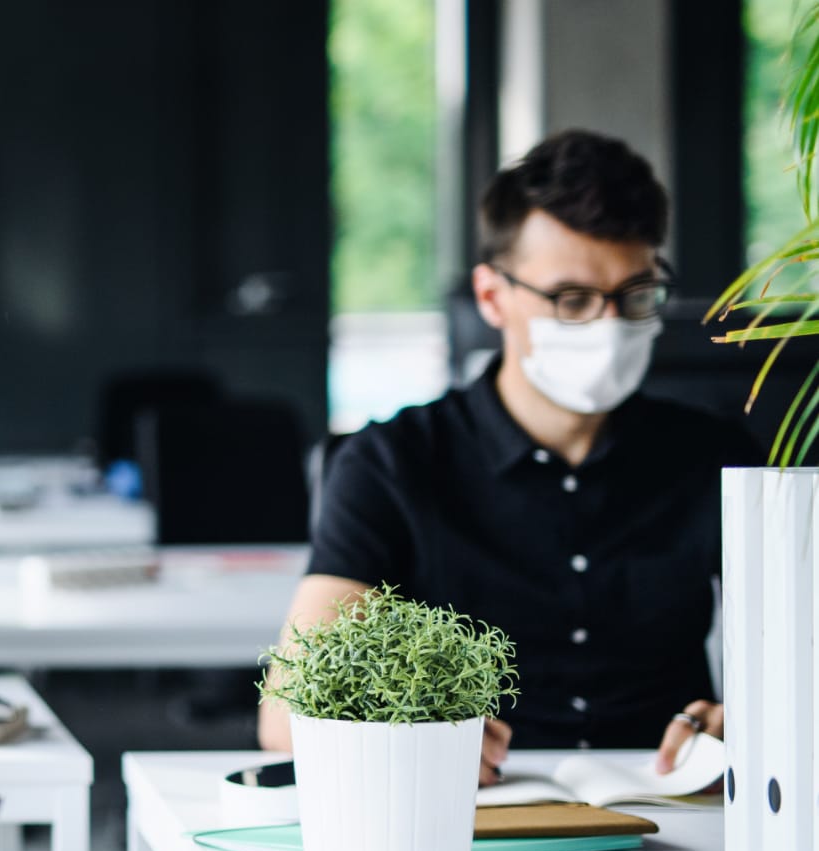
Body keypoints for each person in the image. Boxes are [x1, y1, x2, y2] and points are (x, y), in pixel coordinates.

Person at [259, 130, 758, 781]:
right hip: (474, 818)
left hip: (680, 814)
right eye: (572, 300)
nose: (608, 327)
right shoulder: (392, 462)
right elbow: (285, 717)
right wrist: (414, 740)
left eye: (635, 296)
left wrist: (753, 717)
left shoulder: (715, 454)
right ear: (493, 296)